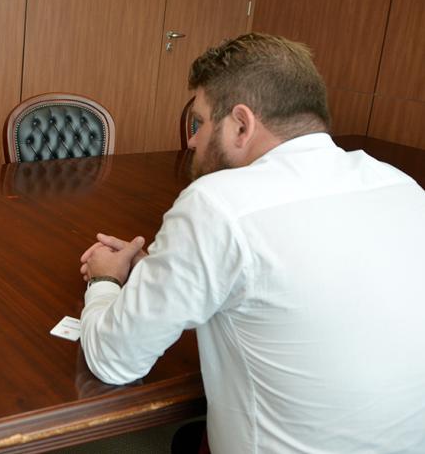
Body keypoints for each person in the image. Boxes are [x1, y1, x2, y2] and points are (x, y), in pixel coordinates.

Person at [77, 33, 425, 453]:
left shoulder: (216, 204)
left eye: (200, 123)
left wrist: (105, 280)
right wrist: (166, 270)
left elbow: (114, 360)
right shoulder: (400, 187)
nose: (192, 140)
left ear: (241, 125)